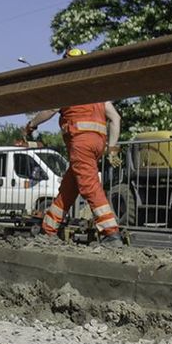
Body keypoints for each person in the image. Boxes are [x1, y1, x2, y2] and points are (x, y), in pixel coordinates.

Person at [25, 49, 124, 247]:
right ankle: (49, 229)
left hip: (81, 143)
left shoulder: (68, 87)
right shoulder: (97, 90)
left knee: (89, 186)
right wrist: (112, 148)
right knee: (69, 188)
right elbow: (115, 118)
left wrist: (31, 125)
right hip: (97, 144)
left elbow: (49, 110)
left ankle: (111, 233)